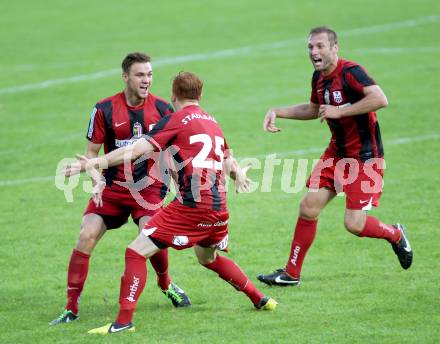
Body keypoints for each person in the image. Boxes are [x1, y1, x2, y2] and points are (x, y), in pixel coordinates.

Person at [66, 71, 277, 334]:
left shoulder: (176, 119)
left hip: (191, 206)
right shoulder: (213, 123)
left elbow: (136, 150)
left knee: (135, 252)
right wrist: (239, 175)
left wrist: (97, 162)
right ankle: (261, 299)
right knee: (208, 257)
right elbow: (227, 160)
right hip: (219, 208)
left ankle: (123, 322)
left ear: (173, 95)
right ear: (200, 95)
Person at [257, 26, 413, 287]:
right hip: (337, 153)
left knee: (354, 224)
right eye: (310, 47)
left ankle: (396, 235)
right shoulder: (318, 78)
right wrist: (278, 111)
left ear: (334, 48)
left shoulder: (351, 72)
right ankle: (291, 274)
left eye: (319, 46)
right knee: (308, 208)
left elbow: (380, 98)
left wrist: (341, 112)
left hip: (365, 156)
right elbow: (315, 109)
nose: (314, 52)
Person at [50, 53, 191, 326]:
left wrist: (179, 186)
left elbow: (171, 154)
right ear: (125, 77)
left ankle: (166, 284)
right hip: (112, 187)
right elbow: (90, 155)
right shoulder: (104, 109)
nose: (146, 80)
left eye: (149, 74)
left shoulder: (163, 109)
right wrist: (96, 179)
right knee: (86, 235)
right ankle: (71, 308)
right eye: (140, 75)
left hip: (148, 188)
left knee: (151, 237)